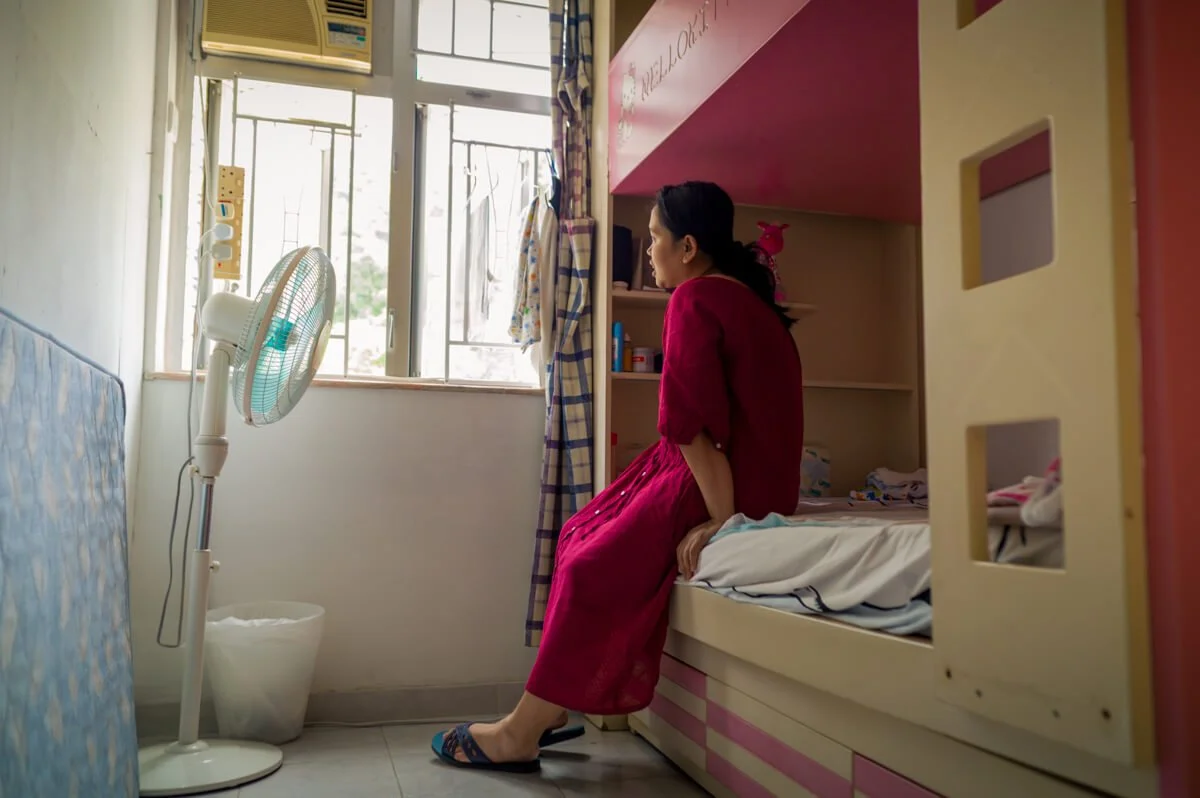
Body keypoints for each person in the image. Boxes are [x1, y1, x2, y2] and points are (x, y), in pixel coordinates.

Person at [433, 181, 805, 772]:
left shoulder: (695, 299)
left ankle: (519, 733)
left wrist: (723, 521)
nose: (648, 251)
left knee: (587, 561)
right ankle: (552, 706)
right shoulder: (753, 305)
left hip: (722, 480)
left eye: (654, 238)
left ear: (687, 246)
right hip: (742, 475)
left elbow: (692, 430)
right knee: (581, 528)